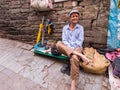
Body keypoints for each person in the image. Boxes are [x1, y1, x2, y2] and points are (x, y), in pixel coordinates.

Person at [56, 9, 90, 90]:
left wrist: (72, 50)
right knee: (58, 43)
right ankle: (80, 55)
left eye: (76, 16)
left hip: (77, 47)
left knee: (74, 58)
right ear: (70, 18)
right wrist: (70, 48)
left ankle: (73, 83)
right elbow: (64, 40)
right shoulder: (65, 28)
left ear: (78, 18)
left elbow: (80, 41)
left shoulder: (80, 28)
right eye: (73, 16)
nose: (75, 18)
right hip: (68, 47)